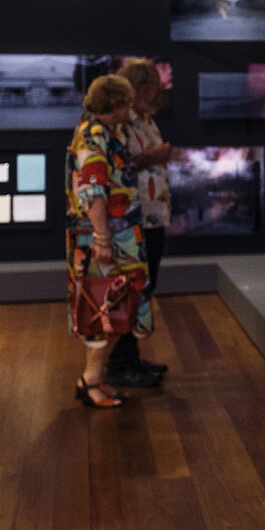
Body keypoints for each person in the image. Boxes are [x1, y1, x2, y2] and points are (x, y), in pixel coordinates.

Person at [65, 75, 153, 408]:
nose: (130, 108)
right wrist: (102, 238)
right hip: (106, 239)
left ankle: (96, 379)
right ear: (115, 104)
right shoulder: (94, 135)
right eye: (126, 102)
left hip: (117, 237)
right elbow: (92, 191)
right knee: (102, 307)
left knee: (114, 306)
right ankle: (89, 382)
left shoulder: (101, 133)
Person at [105, 59, 173, 386]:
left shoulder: (143, 119)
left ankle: (129, 358)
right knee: (135, 288)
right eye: (153, 86)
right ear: (139, 87)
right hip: (136, 219)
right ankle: (120, 363)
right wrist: (154, 156)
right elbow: (116, 166)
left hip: (153, 216)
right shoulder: (121, 123)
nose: (158, 91)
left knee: (146, 287)